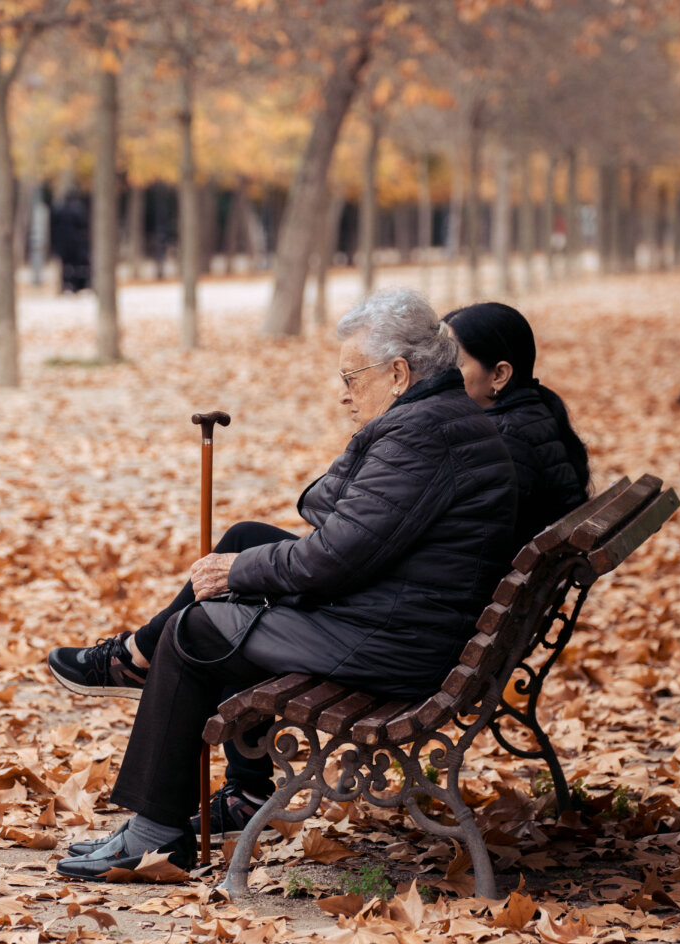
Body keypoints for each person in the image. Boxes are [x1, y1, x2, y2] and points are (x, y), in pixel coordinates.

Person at [47, 288, 518, 878]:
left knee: (197, 631)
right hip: (408, 618)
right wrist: (259, 555)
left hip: (394, 640)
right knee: (247, 539)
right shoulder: (435, 418)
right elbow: (325, 505)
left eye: (353, 375)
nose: (343, 390)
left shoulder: (419, 435)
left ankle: (155, 833)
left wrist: (238, 575)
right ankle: (139, 668)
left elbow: (336, 556)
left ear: (398, 373)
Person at [443, 303, 590, 547]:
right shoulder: (533, 415)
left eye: (453, 364)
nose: (438, 374)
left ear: (499, 375)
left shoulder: (501, 442)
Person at [50, 191, 91, 293]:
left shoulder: (60, 211)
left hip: (65, 246)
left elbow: (54, 229)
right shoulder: (79, 210)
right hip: (77, 245)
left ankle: (68, 284)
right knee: (78, 266)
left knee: (68, 267)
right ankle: (78, 285)